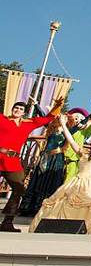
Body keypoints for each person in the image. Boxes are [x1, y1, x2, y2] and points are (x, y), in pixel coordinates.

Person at [30, 114, 91, 235]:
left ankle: (89, 229)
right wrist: (63, 124)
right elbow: (71, 140)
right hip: (76, 181)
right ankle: (61, 226)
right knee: (62, 202)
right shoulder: (82, 152)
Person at [0, 98, 64, 232]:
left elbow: (48, 118)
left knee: (19, 189)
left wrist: (58, 105)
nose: (17, 110)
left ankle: (7, 221)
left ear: (24, 112)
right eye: (15, 108)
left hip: (12, 161)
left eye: (20, 109)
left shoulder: (27, 124)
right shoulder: (3, 119)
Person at [18, 117, 68, 216]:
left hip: (56, 160)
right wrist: (36, 104)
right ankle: (28, 208)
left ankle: (43, 209)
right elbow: (43, 117)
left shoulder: (68, 131)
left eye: (65, 118)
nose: (63, 119)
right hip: (45, 157)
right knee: (38, 180)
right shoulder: (51, 128)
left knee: (51, 181)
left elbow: (80, 128)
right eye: (61, 117)